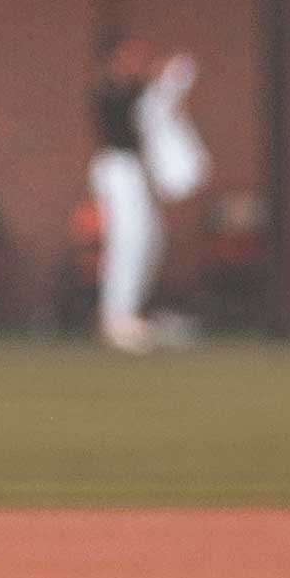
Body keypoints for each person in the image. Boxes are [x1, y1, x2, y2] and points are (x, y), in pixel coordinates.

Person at [87, 39, 201, 354]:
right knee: (127, 239)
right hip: (116, 169)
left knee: (150, 239)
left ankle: (130, 312)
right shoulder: (109, 93)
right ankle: (116, 316)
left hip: (136, 171)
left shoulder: (136, 91)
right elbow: (135, 110)